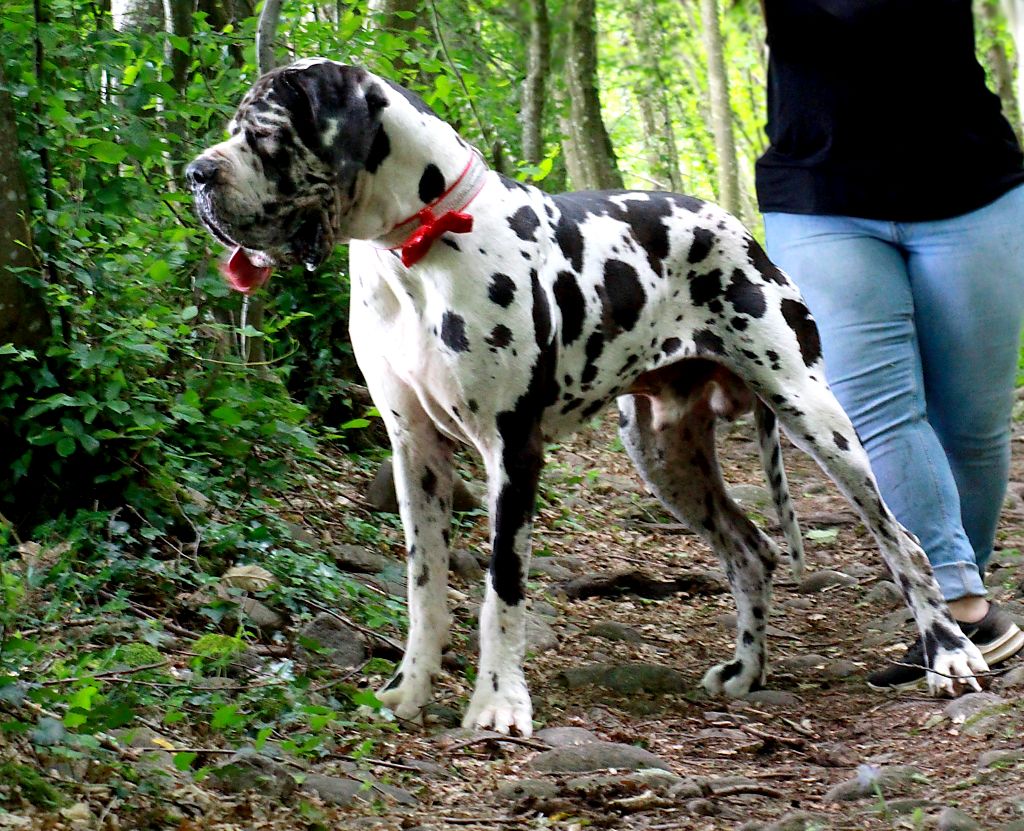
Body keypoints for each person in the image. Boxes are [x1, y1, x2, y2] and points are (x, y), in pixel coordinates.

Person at [756, 0, 1024, 689]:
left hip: (971, 190)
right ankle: (958, 601)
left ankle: (959, 609)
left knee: (972, 425)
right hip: (818, 196)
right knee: (877, 409)